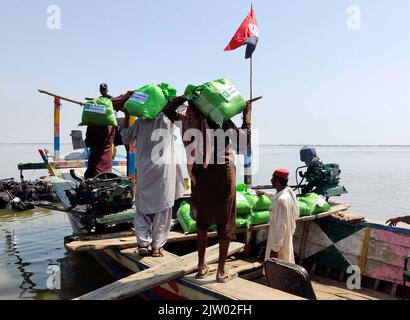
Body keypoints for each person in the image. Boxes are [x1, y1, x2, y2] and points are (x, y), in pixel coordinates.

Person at [163, 96, 251, 283]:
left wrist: (182, 98)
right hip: (223, 174)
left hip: (200, 175)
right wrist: (247, 116)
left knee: (202, 222)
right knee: (224, 221)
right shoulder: (221, 120)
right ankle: (221, 271)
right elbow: (244, 143)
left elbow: (168, 112)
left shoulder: (189, 119)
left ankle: (202, 266)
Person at [114, 91, 186, 257]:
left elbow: (124, 138)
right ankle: (157, 247)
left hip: (145, 170)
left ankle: (143, 243)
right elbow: (181, 115)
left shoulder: (142, 121)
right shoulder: (168, 119)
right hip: (164, 172)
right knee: (164, 208)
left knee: (142, 207)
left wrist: (126, 116)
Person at [256, 169, 299, 263]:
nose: (271, 181)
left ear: (278, 182)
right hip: (284, 240)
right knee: (285, 266)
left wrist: (275, 249)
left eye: (273, 179)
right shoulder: (288, 193)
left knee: (278, 268)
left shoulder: (281, 201)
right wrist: (265, 193)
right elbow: (276, 197)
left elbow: (280, 227)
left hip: (279, 244)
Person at [84, 83, 115, 179]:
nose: (103, 91)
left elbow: (88, 142)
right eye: (102, 89)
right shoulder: (112, 129)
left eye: (104, 89)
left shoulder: (93, 127)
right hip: (107, 171)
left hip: (95, 171)